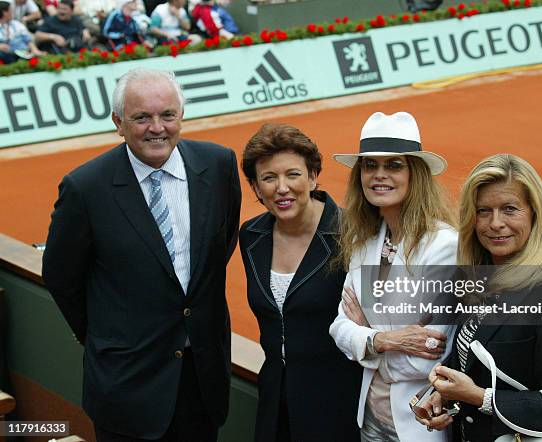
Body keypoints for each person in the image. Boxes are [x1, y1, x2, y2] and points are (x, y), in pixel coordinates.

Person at [42, 68, 241, 442]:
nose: (157, 128)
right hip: (127, 386)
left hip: (202, 381)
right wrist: (106, 334)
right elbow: (60, 275)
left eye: (168, 115)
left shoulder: (218, 165)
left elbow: (221, 245)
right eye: (141, 118)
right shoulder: (84, 188)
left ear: (182, 116)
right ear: (118, 122)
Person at [416, 154, 542, 441]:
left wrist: (480, 397)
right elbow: (474, 361)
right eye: (483, 211)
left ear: (535, 212)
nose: (495, 223)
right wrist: (445, 397)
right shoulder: (477, 277)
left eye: (510, 209)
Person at [329, 111, 458, 441]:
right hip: (370, 420)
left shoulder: (444, 246)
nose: (379, 175)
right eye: (370, 165)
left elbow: (428, 356)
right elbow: (340, 328)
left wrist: (365, 338)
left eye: (394, 165)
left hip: (418, 427)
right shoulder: (365, 240)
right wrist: (384, 339)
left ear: (415, 174)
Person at [239, 123, 362, 442]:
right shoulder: (252, 236)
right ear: (255, 186)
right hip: (275, 402)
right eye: (268, 178)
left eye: (292, 174)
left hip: (338, 403)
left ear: (312, 176)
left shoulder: (352, 232)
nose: (281, 188)